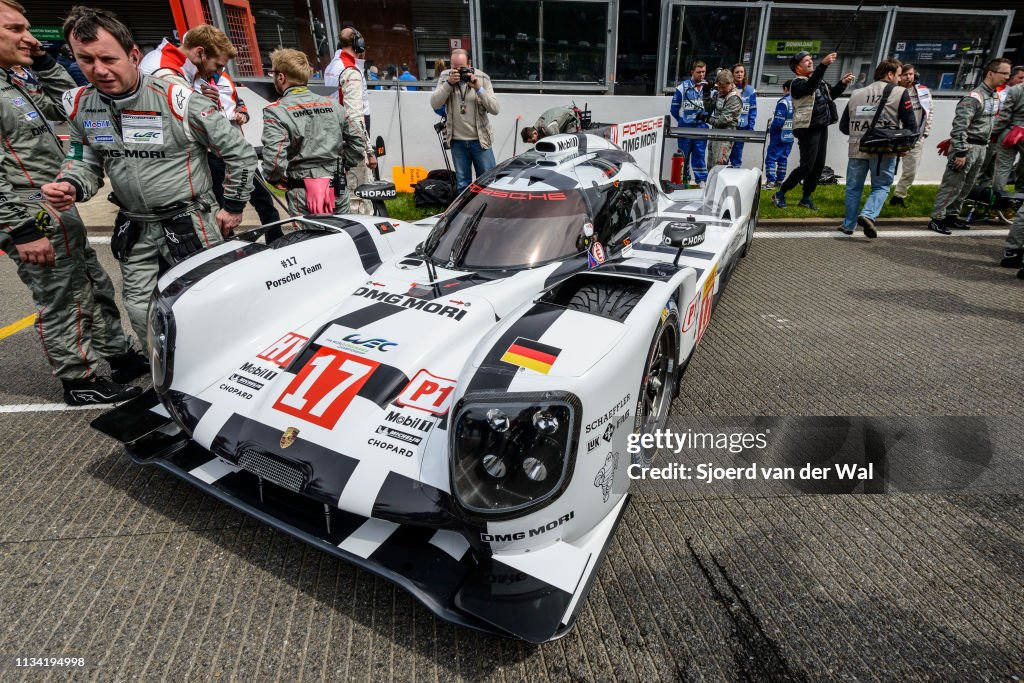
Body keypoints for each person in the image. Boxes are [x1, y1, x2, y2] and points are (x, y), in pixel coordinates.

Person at [42, 7, 257, 346]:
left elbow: (240, 155)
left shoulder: (179, 99)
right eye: (85, 60)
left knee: (211, 302)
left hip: (190, 222)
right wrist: (70, 183)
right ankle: (165, 377)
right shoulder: (80, 104)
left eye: (108, 59)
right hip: (135, 225)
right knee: (141, 310)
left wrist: (232, 206)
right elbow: (83, 158)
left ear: (132, 54)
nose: (98, 70)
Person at [0, 0, 146, 405]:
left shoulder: (15, 79)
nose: (29, 38)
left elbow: (75, 103)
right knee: (62, 295)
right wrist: (21, 230)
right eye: (15, 29)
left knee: (91, 281)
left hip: (56, 205)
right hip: (26, 211)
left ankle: (117, 354)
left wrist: (44, 62)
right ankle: (78, 379)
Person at [260, 48, 365, 217]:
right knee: (343, 238)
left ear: (281, 77)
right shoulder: (333, 105)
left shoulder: (276, 111)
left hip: (302, 191)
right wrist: (342, 166)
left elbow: (274, 159)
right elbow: (358, 141)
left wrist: (274, 178)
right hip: (337, 186)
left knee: (308, 241)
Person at [928, 58, 1010, 235]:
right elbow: (960, 126)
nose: (1007, 77)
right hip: (968, 147)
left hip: (982, 147)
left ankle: (952, 216)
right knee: (953, 184)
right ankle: (937, 218)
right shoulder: (974, 97)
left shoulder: (994, 96)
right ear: (991, 73)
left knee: (967, 186)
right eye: (1004, 73)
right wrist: (960, 151)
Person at [838, 59, 917, 238]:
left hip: (857, 148)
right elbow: (912, 126)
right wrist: (905, 145)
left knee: (853, 188)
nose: (899, 79)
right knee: (881, 187)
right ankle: (868, 215)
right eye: (898, 75)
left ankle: (848, 225)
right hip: (884, 150)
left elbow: (844, 127)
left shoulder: (856, 93)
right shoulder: (900, 92)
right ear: (889, 74)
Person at [771, 51, 854, 210]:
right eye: (806, 61)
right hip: (807, 129)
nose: (810, 62)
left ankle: (805, 198)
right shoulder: (796, 84)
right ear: (797, 67)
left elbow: (832, 95)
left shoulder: (819, 81)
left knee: (818, 166)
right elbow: (809, 88)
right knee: (807, 166)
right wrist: (823, 65)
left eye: (811, 60)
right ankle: (780, 193)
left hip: (821, 126)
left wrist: (843, 83)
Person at [429, 48, 499, 192]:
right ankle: (465, 213)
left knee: (487, 182)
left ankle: (486, 212)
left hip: (481, 141)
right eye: (454, 68)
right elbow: (435, 104)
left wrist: (479, 89)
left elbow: (495, 108)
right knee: (462, 185)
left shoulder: (483, 78)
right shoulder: (445, 77)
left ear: (470, 64)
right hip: (457, 141)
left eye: (462, 68)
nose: (458, 72)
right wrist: (448, 84)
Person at [329, 27, 376, 214]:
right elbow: (355, 116)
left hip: (338, 137)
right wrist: (369, 150)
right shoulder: (350, 70)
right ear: (358, 43)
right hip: (353, 141)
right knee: (359, 197)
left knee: (345, 194)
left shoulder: (333, 66)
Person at [889, 64, 932, 207]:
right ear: (899, 76)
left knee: (911, 171)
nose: (908, 77)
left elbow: (929, 113)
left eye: (911, 74)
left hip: (915, 139)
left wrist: (925, 133)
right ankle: (880, 193)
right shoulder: (893, 92)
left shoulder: (923, 92)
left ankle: (898, 196)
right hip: (894, 138)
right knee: (887, 168)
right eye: (905, 74)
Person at [993, 83, 1024, 267]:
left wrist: (994, 133)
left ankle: (1000, 197)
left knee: (1002, 168)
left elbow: (1004, 115)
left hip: (1010, 130)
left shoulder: (1016, 89)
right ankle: (1019, 197)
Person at [669, 61, 709, 186]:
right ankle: (683, 180)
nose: (701, 75)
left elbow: (712, 108)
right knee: (683, 155)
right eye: (698, 72)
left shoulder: (708, 88)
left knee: (700, 154)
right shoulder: (682, 87)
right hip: (685, 128)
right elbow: (674, 109)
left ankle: (701, 181)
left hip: (702, 128)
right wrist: (683, 121)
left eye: (703, 72)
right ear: (692, 72)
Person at [701, 69, 742, 168]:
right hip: (715, 132)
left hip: (725, 135)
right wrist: (706, 94)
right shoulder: (719, 92)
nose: (721, 90)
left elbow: (722, 121)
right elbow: (709, 108)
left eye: (724, 87)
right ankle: (710, 183)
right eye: (719, 87)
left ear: (731, 84)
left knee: (718, 166)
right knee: (710, 166)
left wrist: (707, 119)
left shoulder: (734, 98)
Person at [765, 80, 794, 189]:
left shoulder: (783, 102)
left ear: (786, 89)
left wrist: (770, 128)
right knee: (783, 158)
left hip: (779, 136)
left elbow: (778, 122)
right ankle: (779, 181)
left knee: (771, 158)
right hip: (790, 136)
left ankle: (770, 182)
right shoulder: (797, 102)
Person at [728, 63, 757, 167]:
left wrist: (750, 127)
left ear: (744, 74)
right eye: (737, 72)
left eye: (741, 72)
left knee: (737, 154)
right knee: (724, 154)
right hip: (729, 126)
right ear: (732, 74)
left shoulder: (750, 90)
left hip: (742, 127)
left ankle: (735, 174)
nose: (739, 74)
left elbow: (753, 111)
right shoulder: (728, 88)